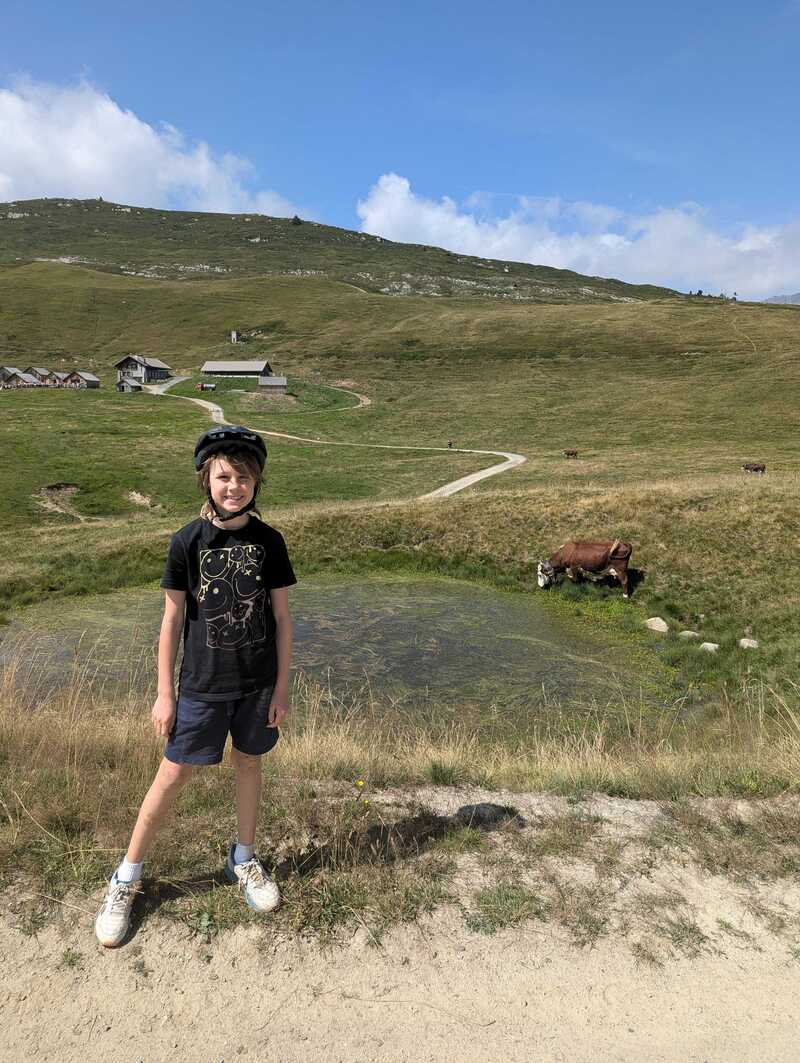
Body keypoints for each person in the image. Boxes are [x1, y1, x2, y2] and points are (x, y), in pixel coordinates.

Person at [95, 425, 296, 947]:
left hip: (256, 687)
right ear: (207, 479)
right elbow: (170, 621)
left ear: (257, 483)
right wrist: (165, 694)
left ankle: (244, 860)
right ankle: (126, 877)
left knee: (249, 764)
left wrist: (281, 689)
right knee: (173, 774)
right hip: (202, 687)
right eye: (225, 476)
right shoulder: (187, 540)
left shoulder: (269, 541)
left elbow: (283, 619)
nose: (235, 485)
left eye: (245, 477)